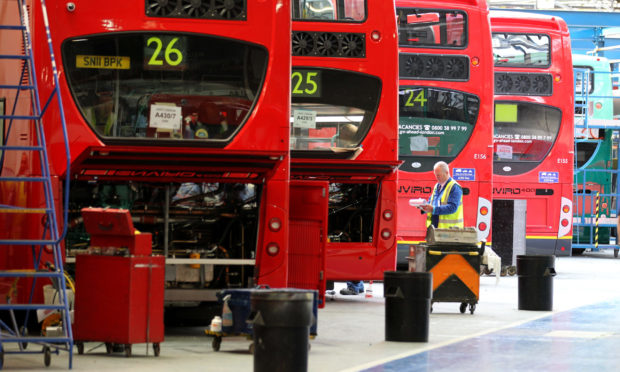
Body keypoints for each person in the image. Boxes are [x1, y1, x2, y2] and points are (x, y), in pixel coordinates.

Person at [420, 161, 464, 229]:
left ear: (446, 173)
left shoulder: (454, 187)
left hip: (450, 231)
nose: (437, 177)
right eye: (436, 175)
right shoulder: (437, 186)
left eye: (439, 175)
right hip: (435, 228)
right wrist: (423, 207)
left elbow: (452, 207)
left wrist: (433, 209)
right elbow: (431, 202)